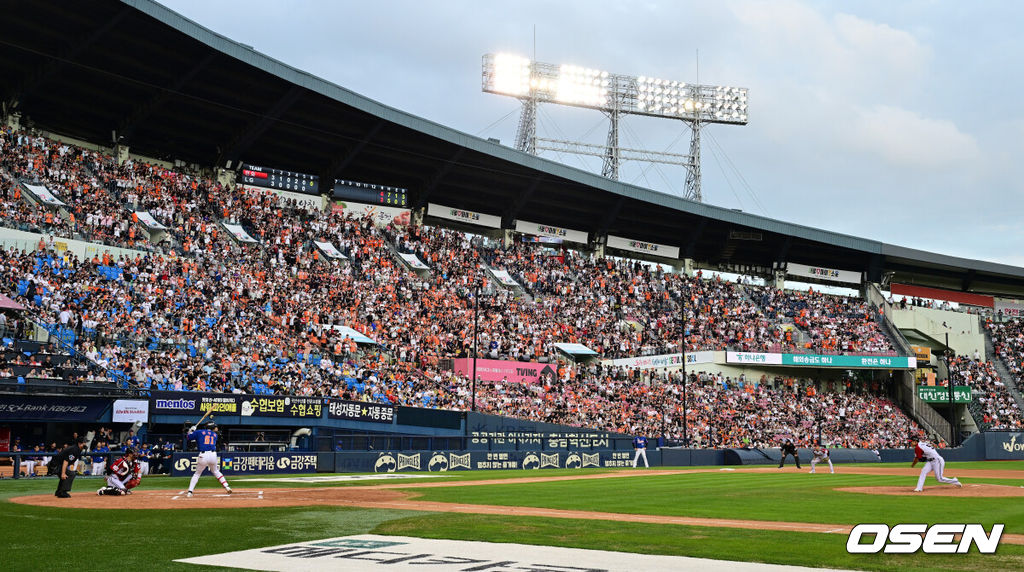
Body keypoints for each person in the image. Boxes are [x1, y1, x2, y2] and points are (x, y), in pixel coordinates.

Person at [185, 421, 232, 497]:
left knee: (197, 474)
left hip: (203, 455)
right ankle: (227, 487)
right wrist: (194, 431)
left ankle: (190, 492)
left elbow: (188, 437)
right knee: (216, 471)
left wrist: (191, 431)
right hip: (213, 455)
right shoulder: (214, 434)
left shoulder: (199, 432)